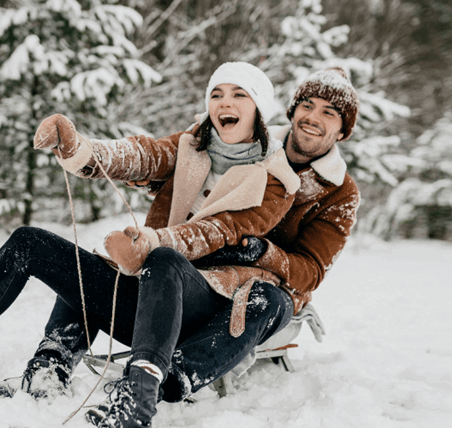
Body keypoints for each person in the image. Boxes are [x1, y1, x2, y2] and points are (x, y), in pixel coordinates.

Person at [0, 63, 299, 427]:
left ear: (259, 109)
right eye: (217, 93)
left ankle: (139, 397)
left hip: (198, 309)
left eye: (240, 94)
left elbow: (217, 231)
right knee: (29, 242)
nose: (225, 103)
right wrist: (78, 148)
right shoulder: (188, 147)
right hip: (146, 300)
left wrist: (152, 242)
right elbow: (136, 154)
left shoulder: (276, 181)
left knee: (164, 258)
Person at [95, 67, 362, 421]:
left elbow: (310, 270)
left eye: (329, 113)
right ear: (292, 110)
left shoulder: (341, 192)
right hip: (206, 265)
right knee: (131, 266)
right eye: (308, 105)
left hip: (268, 286)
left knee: (270, 301)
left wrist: (263, 254)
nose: (313, 117)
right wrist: (157, 181)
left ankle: (173, 378)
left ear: (342, 130)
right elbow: (196, 167)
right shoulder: (255, 145)